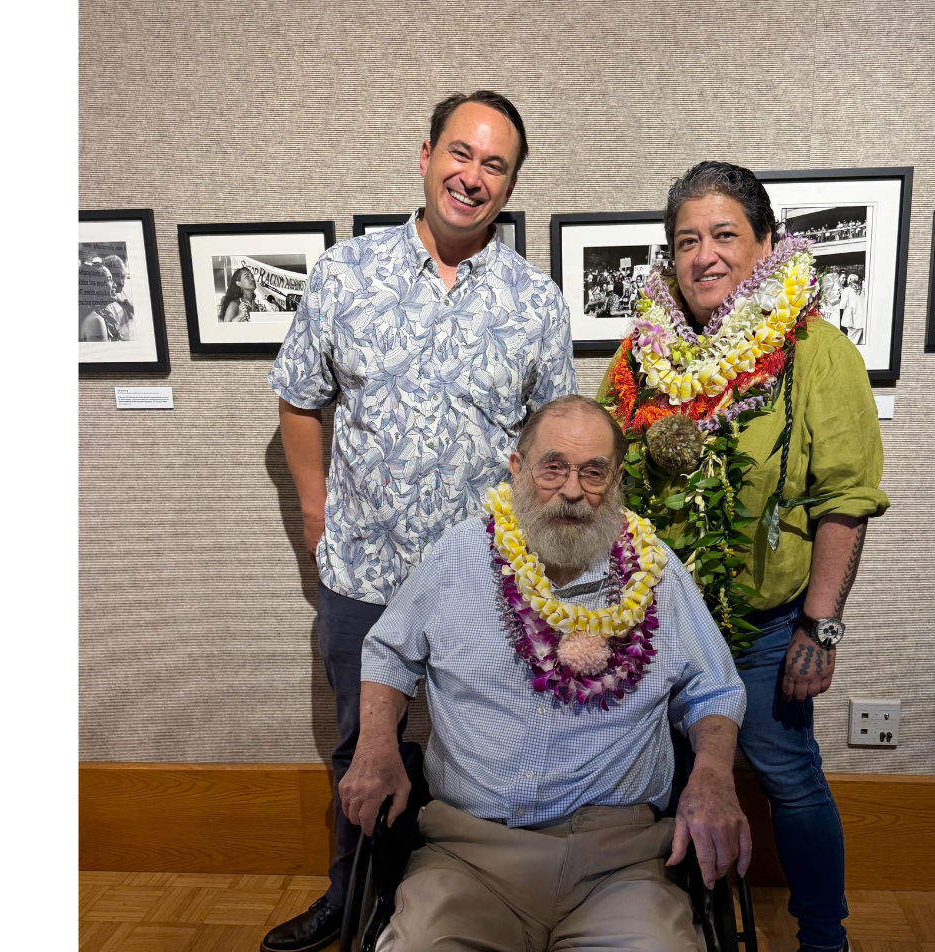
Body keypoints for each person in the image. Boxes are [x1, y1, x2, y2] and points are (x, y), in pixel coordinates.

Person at [262, 90, 578, 952]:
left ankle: (450, 915)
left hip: (480, 582)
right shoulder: (345, 273)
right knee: (364, 751)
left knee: (476, 754)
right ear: (426, 154)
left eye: (494, 166)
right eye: (460, 154)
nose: (472, 178)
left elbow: (553, 445)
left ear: (510, 186)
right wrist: (316, 511)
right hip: (362, 576)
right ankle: (352, 899)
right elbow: (298, 399)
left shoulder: (534, 301)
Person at [599, 162, 889, 952]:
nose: (705, 255)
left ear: (766, 243)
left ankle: (823, 938)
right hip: (655, 626)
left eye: (725, 235)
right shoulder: (637, 357)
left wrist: (818, 627)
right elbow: (603, 471)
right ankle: (679, 929)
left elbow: (845, 499)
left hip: (766, 627)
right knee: (657, 784)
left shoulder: (816, 353)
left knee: (788, 778)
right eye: (686, 240)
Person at [343, 395, 750, 952]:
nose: (573, 491)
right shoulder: (460, 555)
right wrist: (373, 748)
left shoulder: (654, 571)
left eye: (594, 472)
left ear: (615, 479)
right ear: (517, 469)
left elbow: (715, 688)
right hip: (470, 854)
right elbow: (390, 652)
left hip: (623, 861)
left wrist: (713, 777)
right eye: (553, 467)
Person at [101, 254, 136, 340]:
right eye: (116, 277)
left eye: (123, 276)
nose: (121, 282)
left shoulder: (130, 286)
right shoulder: (102, 303)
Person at [78, 262, 116, 342]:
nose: (115, 285)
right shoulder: (96, 321)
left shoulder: (100, 314)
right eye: (109, 280)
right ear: (96, 286)